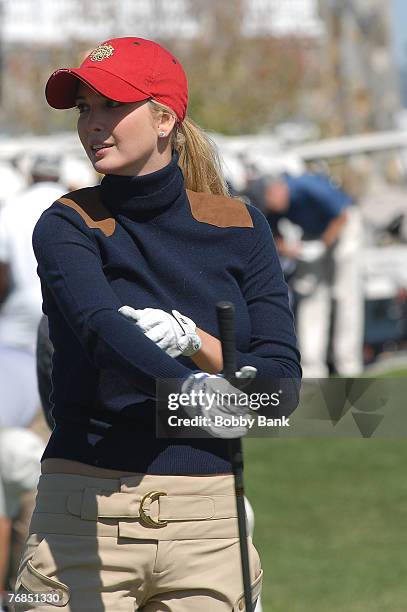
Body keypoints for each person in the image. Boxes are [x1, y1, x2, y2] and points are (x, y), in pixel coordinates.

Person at [14, 37, 301, 611]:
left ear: (165, 117)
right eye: (84, 110)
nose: (93, 125)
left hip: (209, 520)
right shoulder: (67, 223)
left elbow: (282, 389)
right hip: (84, 513)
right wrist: (196, 391)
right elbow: (100, 329)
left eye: (111, 107)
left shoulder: (240, 225)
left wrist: (196, 343)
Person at [253, 173, 364, 378]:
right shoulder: (274, 204)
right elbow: (274, 237)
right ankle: (313, 367)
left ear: (276, 190)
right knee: (310, 295)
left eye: (270, 201)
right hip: (314, 233)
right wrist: (292, 249)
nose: (272, 208)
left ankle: (349, 364)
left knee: (344, 294)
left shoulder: (306, 185)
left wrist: (321, 246)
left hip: (343, 226)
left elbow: (342, 215)